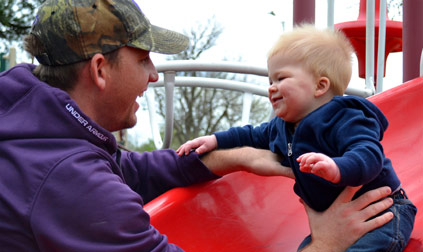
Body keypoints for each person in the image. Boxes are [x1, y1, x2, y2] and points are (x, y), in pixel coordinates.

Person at [0, 0, 394, 250]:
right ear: (100, 70)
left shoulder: (32, 124)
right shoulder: (70, 182)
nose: (154, 75)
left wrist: (233, 156)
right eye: (143, 60)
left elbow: (128, 170)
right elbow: (92, 188)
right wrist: (325, 245)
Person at [177, 25, 417, 251]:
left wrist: (337, 167)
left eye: (281, 79)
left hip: (384, 213)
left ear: (320, 86)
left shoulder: (346, 117)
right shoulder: (282, 126)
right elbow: (250, 134)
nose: (271, 87)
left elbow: (368, 154)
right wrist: (215, 141)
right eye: (270, 80)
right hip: (336, 220)